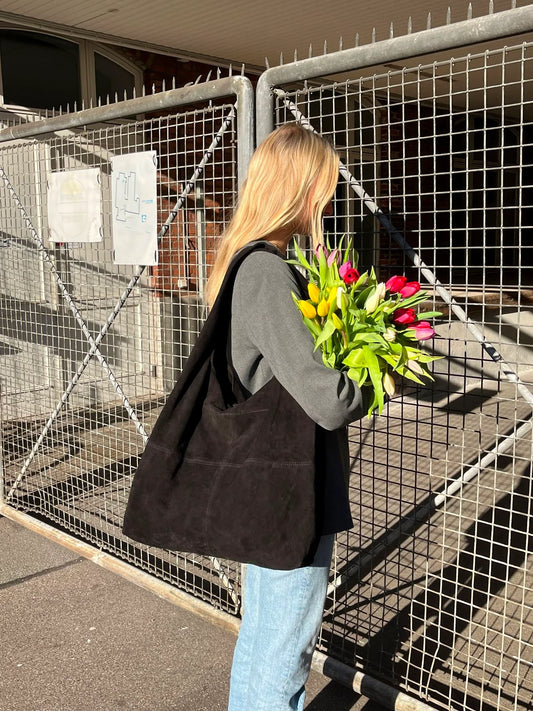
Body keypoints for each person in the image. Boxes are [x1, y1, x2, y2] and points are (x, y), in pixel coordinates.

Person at [205, 123, 367, 711]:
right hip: (289, 489)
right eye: (324, 184)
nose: (329, 197)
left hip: (267, 480)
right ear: (299, 187)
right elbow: (327, 399)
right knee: (282, 654)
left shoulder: (245, 263)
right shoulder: (268, 273)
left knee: (263, 640)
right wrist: (371, 381)